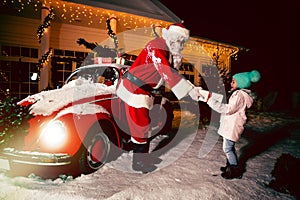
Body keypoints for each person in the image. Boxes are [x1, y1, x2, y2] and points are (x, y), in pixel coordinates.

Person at [116, 23, 202, 173]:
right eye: (179, 40)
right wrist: (189, 91)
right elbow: (165, 71)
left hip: (142, 89)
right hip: (134, 89)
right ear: (171, 37)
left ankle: (142, 157)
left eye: (183, 41)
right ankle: (139, 163)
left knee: (142, 125)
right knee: (142, 126)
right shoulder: (158, 46)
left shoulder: (167, 49)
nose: (180, 44)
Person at [199, 70, 261, 179]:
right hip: (230, 126)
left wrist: (210, 100)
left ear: (241, 84)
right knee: (229, 148)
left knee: (227, 148)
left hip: (232, 127)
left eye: (234, 82)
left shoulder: (239, 96)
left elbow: (228, 109)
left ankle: (234, 169)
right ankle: (230, 165)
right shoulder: (238, 94)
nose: (231, 84)